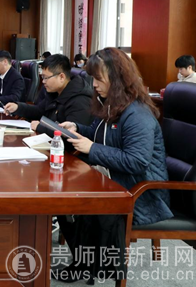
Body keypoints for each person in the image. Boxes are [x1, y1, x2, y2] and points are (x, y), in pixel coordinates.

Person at [55, 48, 172, 283]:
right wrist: (78, 129)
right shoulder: (111, 105)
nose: (94, 85)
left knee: (76, 199)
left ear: (117, 79)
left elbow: (137, 161)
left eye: (99, 79)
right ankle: (84, 262)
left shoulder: (137, 114)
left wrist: (92, 149)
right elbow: (101, 136)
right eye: (93, 79)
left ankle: (87, 264)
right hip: (116, 180)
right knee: (64, 194)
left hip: (142, 192)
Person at [4, 54, 93, 135]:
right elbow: (39, 111)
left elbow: (71, 135)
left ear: (61, 77)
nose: (43, 81)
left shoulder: (80, 100)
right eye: (42, 77)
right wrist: (18, 107)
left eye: (46, 77)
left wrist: (40, 127)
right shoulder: (55, 92)